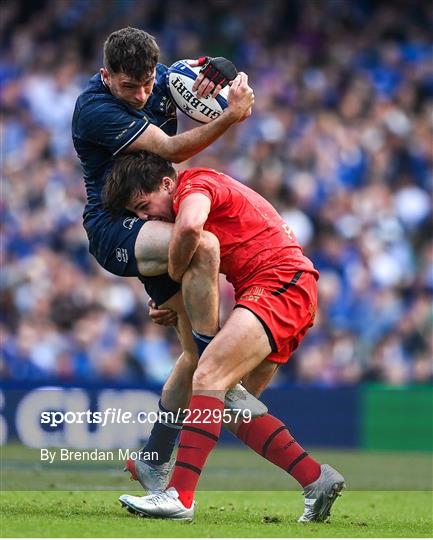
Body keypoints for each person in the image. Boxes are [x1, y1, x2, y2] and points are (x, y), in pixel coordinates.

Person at [103, 151, 346, 523]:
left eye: (143, 205)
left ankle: (179, 496)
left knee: (209, 374)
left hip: (279, 284)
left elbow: (190, 230)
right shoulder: (204, 186)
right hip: (287, 288)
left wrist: (165, 279)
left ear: (167, 184)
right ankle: (315, 479)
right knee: (225, 405)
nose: (144, 218)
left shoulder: (194, 186)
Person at [71, 26, 256, 492]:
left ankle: (153, 459)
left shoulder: (164, 80)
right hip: (114, 226)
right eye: (129, 86)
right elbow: (174, 149)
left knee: (192, 359)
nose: (141, 94)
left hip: (156, 220)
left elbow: (206, 75)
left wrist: (226, 73)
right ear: (106, 76)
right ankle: (227, 381)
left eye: (147, 83)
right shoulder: (94, 110)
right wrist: (230, 117)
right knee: (204, 247)